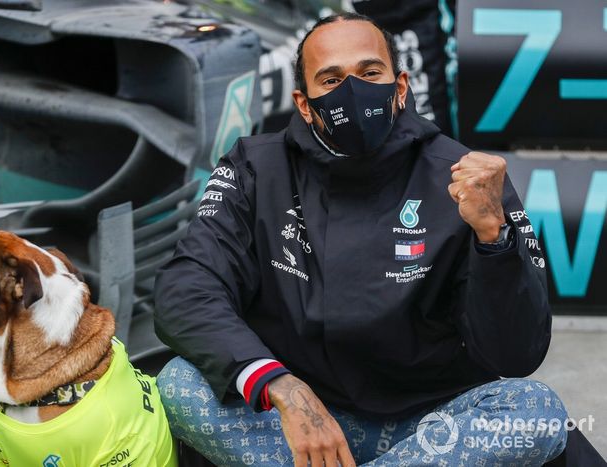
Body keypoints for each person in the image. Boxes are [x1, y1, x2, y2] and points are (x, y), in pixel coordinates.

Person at [153, 13, 567, 467]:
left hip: (432, 428)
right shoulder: (254, 168)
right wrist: (283, 388)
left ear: (401, 86)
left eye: (370, 73)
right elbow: (186, 289)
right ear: (304, 103)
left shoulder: (467, 177)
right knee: (179, 381)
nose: (353, 91)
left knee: (536, 412)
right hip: (299, 420)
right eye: (330, 80)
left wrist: (494, 238)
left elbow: (517, 353)